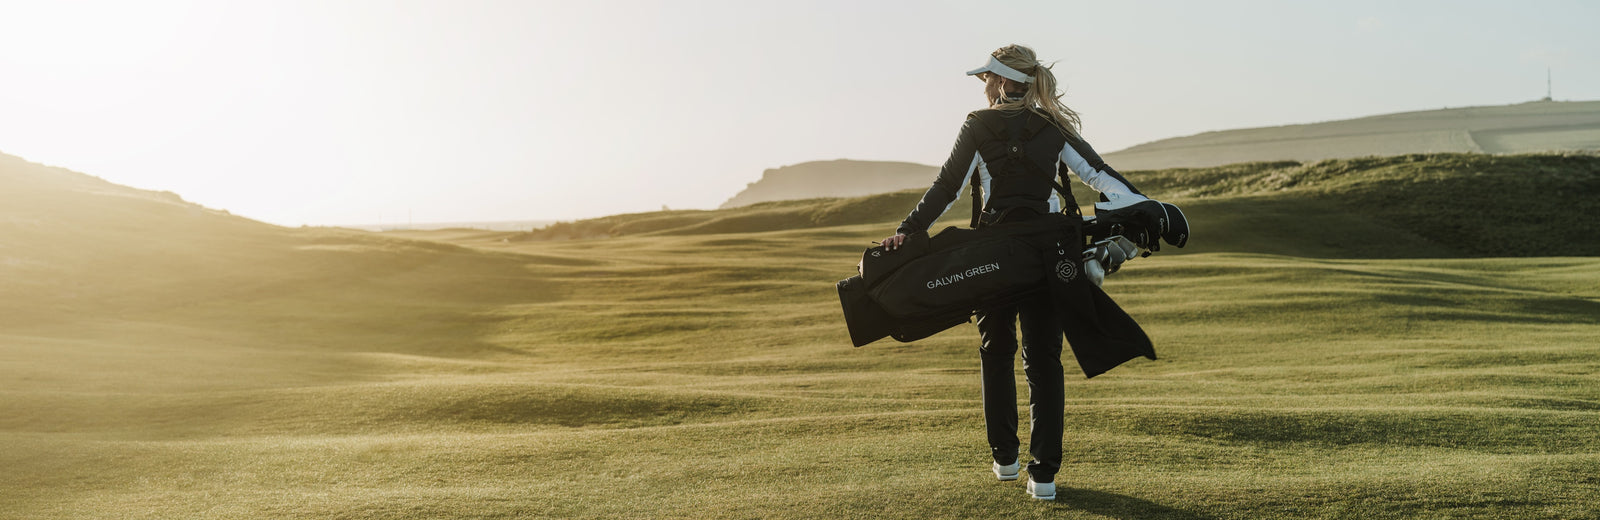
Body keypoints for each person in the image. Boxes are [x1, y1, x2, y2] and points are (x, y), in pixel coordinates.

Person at [879, 44, 1148, 501]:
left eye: (987, 78)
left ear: (1003, 81)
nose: (983, 85)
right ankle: (1044, 477)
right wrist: (1143, 207)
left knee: (996, 350)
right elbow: (1100, 176)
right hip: (1047, 253)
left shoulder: (977, 125)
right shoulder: (1051, 125)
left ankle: (1005, 460)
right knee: (1043, 360)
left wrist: (908, 231)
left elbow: (948, 186)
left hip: (992, 253)